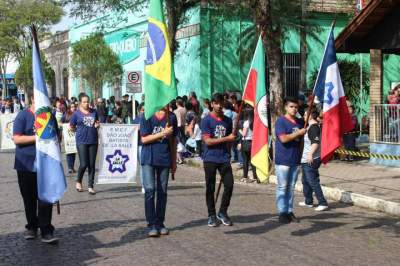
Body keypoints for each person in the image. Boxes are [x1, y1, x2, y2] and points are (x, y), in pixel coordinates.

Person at [13, 94, 58, 244]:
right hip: (26, 164)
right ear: (33, 99)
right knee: (29, 198)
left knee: (45, 198)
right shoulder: (23, 115)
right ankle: (32, 226)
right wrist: (37, 137)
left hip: (46, 164)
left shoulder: (49, 116)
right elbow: (17, 138)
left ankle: (46, 229)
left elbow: (57, 137)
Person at [140, 104, 177, 237]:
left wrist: (174, 161)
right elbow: (144, 139)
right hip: (148, 159)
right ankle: (152, 224)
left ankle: (160, 222)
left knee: (163, 192)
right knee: (150, 190)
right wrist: (162, 133)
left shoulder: (171, 117)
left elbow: (173, 140)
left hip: (165, 159)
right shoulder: (147, 115)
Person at [201, 93, 236, 227]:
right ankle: (211, 214)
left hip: (224, 158)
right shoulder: (206, 120)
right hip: (210, 158)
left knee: (230, 184)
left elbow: (229, 139)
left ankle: (222, 211)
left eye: (221, 103)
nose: (219, 105)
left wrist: (230, 143)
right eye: (216, 103)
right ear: (212, 104)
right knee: (210, 187)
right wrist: (227, 139)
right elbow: (208, 141)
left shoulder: (227, 120)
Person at [275, 96, 306, 224]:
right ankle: (282, 212)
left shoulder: (300, 122)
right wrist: (298, 133)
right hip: (283, 160)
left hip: (295, 159)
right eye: (291, 107)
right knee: (283, 187)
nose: (293, 109)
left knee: (292, 187)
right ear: (286, 107)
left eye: (296, 107)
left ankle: (289, 210)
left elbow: (302, 140)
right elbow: (283, 139)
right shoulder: (281, 121)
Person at [69, 93, 100, 195]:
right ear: (80, 102)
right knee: (84, 164)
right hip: (81, 141)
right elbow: (71, 126)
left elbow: (97, 123)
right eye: (84, 102)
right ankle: (79, 181)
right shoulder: (76, 114)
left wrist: (97, 125)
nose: (87, 104)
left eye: (88, 101)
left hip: (93, 140)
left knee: (91, 164)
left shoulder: (94, 112)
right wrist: (73, 129)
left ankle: (90, 186)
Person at [299, 108, 328, 211]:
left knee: (313, 181)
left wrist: (310, 154)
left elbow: (315, 143)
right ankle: (308, 201)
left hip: (311, 158)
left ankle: (322, 202)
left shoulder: (314, 127)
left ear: (310, 115)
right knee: (305, 181)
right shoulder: (310, 126)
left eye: (305, 114)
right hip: (305, 158)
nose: (303, 116)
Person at [239, 106, 258, 183]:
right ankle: (255, 177)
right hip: (253, 142)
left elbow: (243, 134)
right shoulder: (255, 122)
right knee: (252, 161)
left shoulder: (246, 123)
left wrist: (239, 130)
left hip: (246, 142)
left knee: (245, 161)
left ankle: (245, 177)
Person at [62, 103, 77, 174]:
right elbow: (60, 122)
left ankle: (72, 167)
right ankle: (69, 167)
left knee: (73, 151)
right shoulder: (65, 115)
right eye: (72, 107)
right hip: (67, 136)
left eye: (74, 107)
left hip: (74, 136)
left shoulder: (77, 114)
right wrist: (63, 127)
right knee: (68, 152)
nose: (73, 108)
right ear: (69, 108)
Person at [133, 103, 145, 194]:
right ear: (139, 110)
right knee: (142, 165)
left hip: (149, 145)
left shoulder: (150, 118)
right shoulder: (136, 120)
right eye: (142, 110)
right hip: (140, 145)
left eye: (145, 110)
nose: (144, 112)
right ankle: (144, 185)